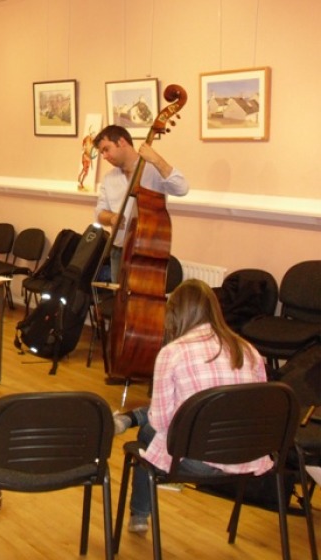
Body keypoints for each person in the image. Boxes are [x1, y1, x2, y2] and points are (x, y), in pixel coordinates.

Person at [121, 279, 271, 534]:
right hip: (246, 455)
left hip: (196, 458)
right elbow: (260, 409)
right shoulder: (249, 351)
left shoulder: (172, 353)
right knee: (186, 409)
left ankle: (140, 515)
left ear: (175, 314)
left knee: (148, 433)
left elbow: (160, 423)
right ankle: (131, 417)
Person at [93, 125, 189, 281]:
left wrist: (157, 160)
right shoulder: (109, 178)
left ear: (122, 141)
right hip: (119, 250)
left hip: (148, 252)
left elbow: (182, 188)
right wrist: (111, 218)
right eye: (102, 152)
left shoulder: (152, 169)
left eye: (106, 149)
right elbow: (99, 213)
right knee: (119, 301)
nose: (104, 156)